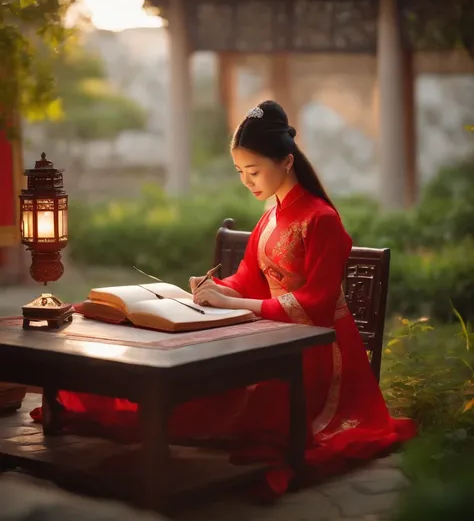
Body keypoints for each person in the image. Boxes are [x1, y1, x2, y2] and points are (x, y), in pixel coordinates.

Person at [31, 100, 416, 498]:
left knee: (245, 398)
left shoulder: (321, 219)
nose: (247, 181)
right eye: (240, 172)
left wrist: (236, 305)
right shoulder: (272, 215)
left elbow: (314, 306)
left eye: (254, 171)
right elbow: (250, 276)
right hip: (276, 333)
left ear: (286, 162)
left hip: (317, 348)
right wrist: (217, 290)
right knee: (203, 387)